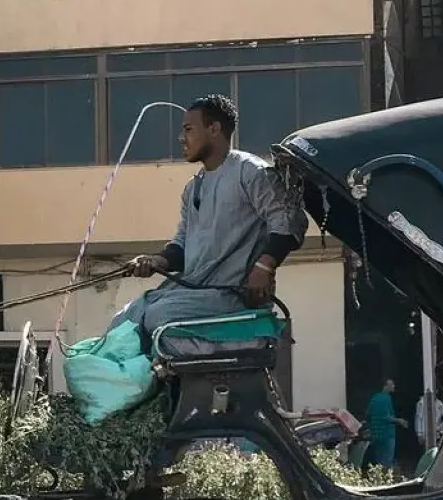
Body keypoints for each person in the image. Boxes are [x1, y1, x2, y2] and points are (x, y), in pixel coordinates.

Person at [115, 94, 307, 338]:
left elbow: (290, 220)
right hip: (192, 289)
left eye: (188, 129)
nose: (181, 138)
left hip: (231, 293)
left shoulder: (250, 171)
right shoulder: (192, 188)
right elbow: (182, 246)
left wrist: (264, 267)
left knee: (157, 316)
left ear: (214, 129)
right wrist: (156, 261)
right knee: (125, 320)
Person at [364, 379, 408, 469]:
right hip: (387, 434)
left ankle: (378, 479)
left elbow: (368, 414)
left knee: (378, 461)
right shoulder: (387, 398)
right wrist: (400, 421)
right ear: (385, 386)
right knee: (387, 461)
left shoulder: (374, 398)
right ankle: (386, 480)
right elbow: (386, 417)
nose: (394, 386)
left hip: (375, 434)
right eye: (391, 384)